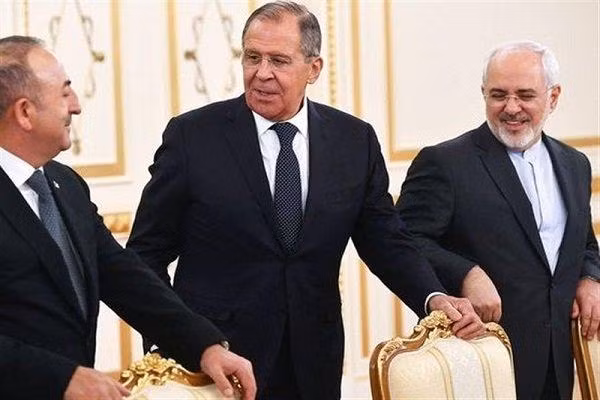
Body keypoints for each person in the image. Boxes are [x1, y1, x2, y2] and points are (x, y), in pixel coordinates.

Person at [127, 2, 484, 399]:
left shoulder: (354, 141)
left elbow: (386, 241)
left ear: (314, 69)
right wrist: (176, 341)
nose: (262, 73)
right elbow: (145, 253)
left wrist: (433, 297)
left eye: (279, 60)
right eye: (252, 57)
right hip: (215, 364)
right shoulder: (192, 137)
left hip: (313, 362)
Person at [0, 36, 256, 400]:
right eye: (64, 93)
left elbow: (122, 276)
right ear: (25, 112)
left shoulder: (65, 184)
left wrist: (205, 346)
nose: (76, 106)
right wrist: (60, 378)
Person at [396, 40, 600, 400]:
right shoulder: (444, 163)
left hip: (557, 360)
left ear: (553, 97)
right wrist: (466, 273)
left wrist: (589, 277)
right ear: (484, 94)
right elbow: (402, 241)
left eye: (525, 95)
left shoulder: (575, 164)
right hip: (478, 357)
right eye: (498, 95)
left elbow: (582, 244)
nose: (511, 108)